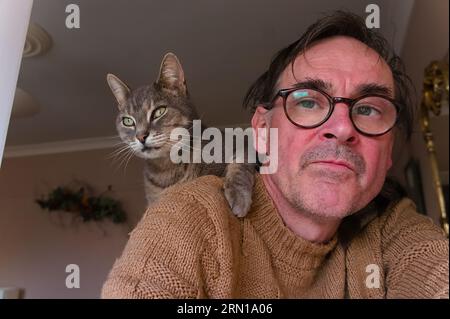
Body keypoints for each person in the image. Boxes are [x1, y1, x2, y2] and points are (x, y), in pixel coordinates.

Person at [101, 11, 449, 299]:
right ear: (262, 131)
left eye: (370, 109)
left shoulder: (394, 226)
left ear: (388, 152)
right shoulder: (188, 215)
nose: (342, 128)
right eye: (309, 102)